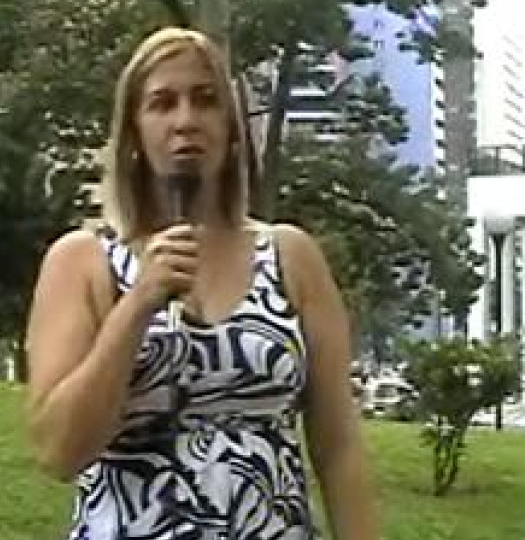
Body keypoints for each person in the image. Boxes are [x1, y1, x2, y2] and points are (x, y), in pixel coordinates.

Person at [26, 27, 379, 540]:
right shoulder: (82, 261)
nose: (186, 120)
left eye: (206, 100)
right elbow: (59, 452)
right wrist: (137, 305)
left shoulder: (291, 257)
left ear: (232, 127)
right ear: (134, 132)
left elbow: (338, 445)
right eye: (162, 103)